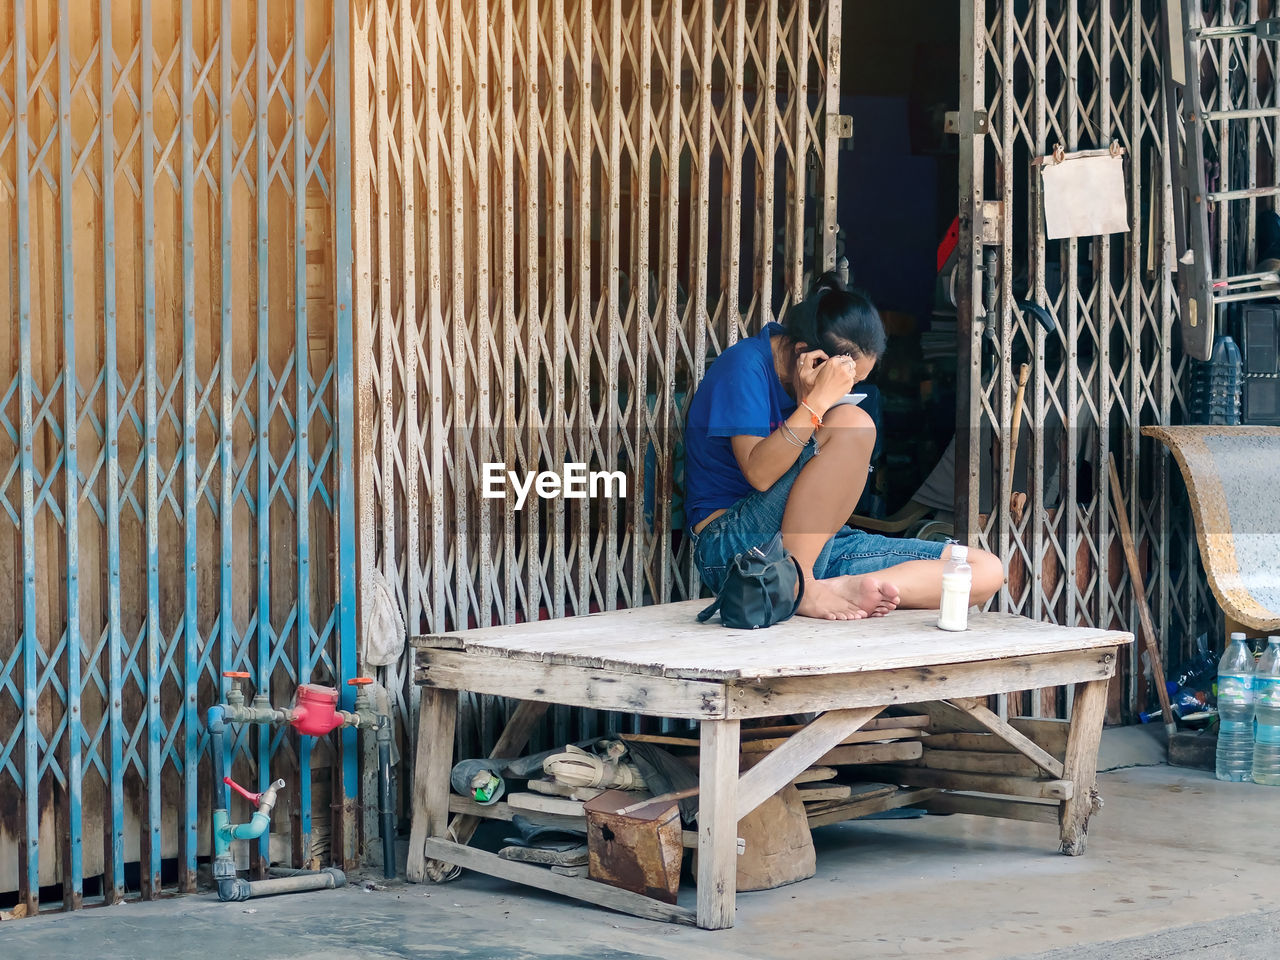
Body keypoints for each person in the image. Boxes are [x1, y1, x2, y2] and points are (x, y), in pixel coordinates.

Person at [684, 273, 1004, 620]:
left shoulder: (808, 388)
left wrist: (813, 400)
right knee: (853, 422)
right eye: (843, 380)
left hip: (810, 541)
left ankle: (839, 587)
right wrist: (816, 404)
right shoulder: (746, 365)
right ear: (807, 356)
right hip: (735, 547)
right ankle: (798, 585)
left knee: (982, 570)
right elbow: (760, 474)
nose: (846, 390)